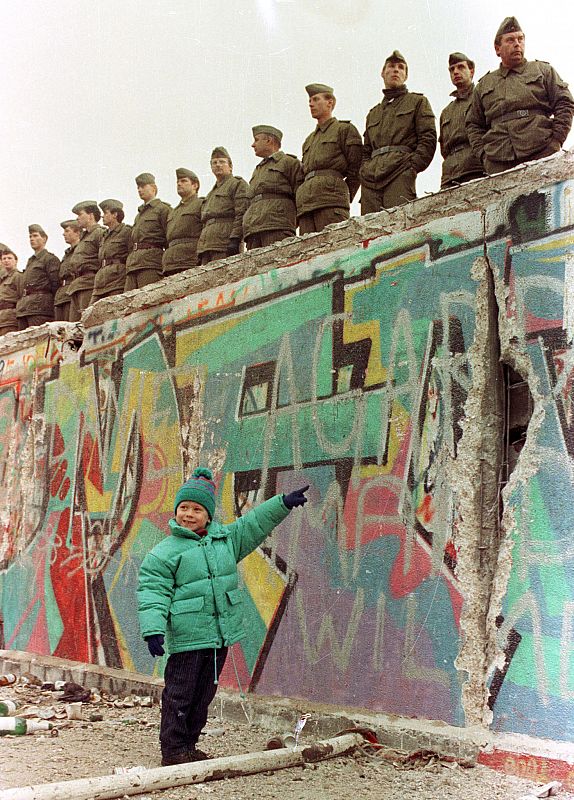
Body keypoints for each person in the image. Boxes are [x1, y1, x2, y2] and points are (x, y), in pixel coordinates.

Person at [137, 467, 309, 766]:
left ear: (208, 514)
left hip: (218, 636)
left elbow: (253, 524)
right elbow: (152, 592)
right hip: (188, 637)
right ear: (176, 511)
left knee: (203, 695)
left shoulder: (225, 540)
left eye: (196, 509)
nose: (188, 514)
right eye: (183, 508)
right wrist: (153, 630)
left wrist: (281, 503)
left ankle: (189, 745)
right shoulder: (164, 553)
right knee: (180, 694)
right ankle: (173, 749)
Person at [466, 16, 574, 176]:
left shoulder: (542, 70)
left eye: (520, 39)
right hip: (499, 159)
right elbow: (473, 124)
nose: (517, 44)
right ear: (497, 48)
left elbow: (565, 103)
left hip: (541, 150)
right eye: (510, 40)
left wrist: (556, 140)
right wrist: (484, 156)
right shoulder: (484, 84)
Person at [360, 50, 436, 213]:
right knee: (369, 234)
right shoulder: (373, 113)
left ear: (406, 75)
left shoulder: (417, 102)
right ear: (383, 72)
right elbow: (366, 150)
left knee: (399, 229)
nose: (396, 70)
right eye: (391, 66)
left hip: (400, 172)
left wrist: (411, 167)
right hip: (370, 180)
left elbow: (428, 138)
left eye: (401, 68)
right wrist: (365, 170)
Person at [297, 84, 362, 233]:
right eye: (309, 101)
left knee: (334, 248)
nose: (310, 104)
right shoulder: (309, 140)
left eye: (315, 99)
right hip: (307, 205)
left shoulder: (344, 129)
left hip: (331, 202)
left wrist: (342, 195)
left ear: (330, 102)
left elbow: (357, 166)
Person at [243, 125, 303, 250]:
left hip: (277, 225)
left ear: (269, 140)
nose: (253, 145)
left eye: (256, 140)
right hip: (254, 229)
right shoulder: (258, 169)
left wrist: (291, 222)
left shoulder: (288, 162)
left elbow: (301, 194)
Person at [439, 53, 486, 189]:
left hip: (476, 168)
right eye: (452, 69)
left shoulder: (482, 98)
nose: (456, 72)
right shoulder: (446, 111)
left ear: (471, 71)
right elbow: (444, 149)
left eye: (460, 67)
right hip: (450, 175)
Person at [196, 148, 250, 265]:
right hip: (207, 247)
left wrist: (235, 238)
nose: (218, 165)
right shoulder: (210, 194)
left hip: (224, 244)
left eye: (222, 162)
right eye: (214, 163)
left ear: (230, 166)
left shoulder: (237, 184)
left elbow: (242, 213)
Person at [125, 173, 170, 291]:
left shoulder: (163, 209)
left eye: (143, 186)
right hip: (134, 264)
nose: (139, 190)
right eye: (138, 187)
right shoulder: (139, 215)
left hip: (151, 262)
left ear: (153, 188)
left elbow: (169, 237)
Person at [16, 224, 60, 330]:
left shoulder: (50, 259)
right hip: (25, 308)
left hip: (40, 308)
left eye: (35, 236)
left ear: (44, 238)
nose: (32, 239)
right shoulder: (30, 261)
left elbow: (55, 284)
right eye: (30, 237)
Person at [67, 201, 104, 322]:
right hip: (77, 285)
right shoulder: (84, 237)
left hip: (89, 283)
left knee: (87, 323)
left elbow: (104, 257)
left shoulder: (99, 232)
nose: (77, 218)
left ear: (91, 215)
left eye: (80, 214)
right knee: (75, 327)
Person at [162, 168, 203, 276]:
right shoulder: (173, 212)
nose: (179, 184)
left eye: (184, 181)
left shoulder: (201, 204)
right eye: (178, 182)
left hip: (190, 260)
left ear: (195, 185)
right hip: (171, 262)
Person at [91, 199, 132, 304]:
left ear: (115, 214)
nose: (102, 216)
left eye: (105, 213)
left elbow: (131, 254)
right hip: (101, 282)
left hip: (117, 280)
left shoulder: (126, 231)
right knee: (90, 312)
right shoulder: (104, 235)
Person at [54, 220, 82, 322]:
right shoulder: (66, 254)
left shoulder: (81, 250)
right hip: (62, 295)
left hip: (72, 292)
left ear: (77, 232)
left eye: (67, 231)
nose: (63, 234)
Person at [0, 248, 22, 336]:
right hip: (2, 318)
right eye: (4, 259)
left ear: (16, 261)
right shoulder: (3, 279)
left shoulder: (18, 276)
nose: (6, 261)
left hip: (11, 319)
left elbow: (21, 297)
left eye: (9, 258)